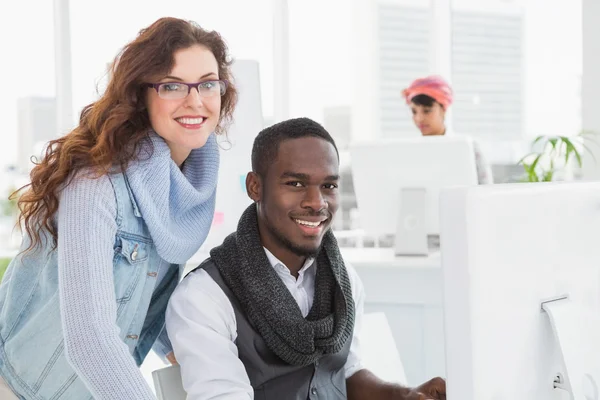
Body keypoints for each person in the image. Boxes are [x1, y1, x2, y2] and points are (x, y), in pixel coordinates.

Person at [0, 17, 237, 399]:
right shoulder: (95, 183)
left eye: (208, 83)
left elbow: (142, 290)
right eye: (172, 86)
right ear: (141, 95)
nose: (195, 100)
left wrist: (197, 356)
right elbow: (90, 340)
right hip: (17, 388)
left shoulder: (182, 188)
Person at [166, 118, 446, 400]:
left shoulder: (343, 280)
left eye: (328, 186)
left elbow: (342, 373)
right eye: (296, 183)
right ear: (255, 187)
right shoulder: (204, 296)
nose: (317, 202)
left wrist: (404, 394)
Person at [403, 75, 493, 184]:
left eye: (427, 111)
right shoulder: (410, 152)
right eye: (414, 111)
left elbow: (485, 189)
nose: (419, 118)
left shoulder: (469, 147)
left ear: (443, 110)